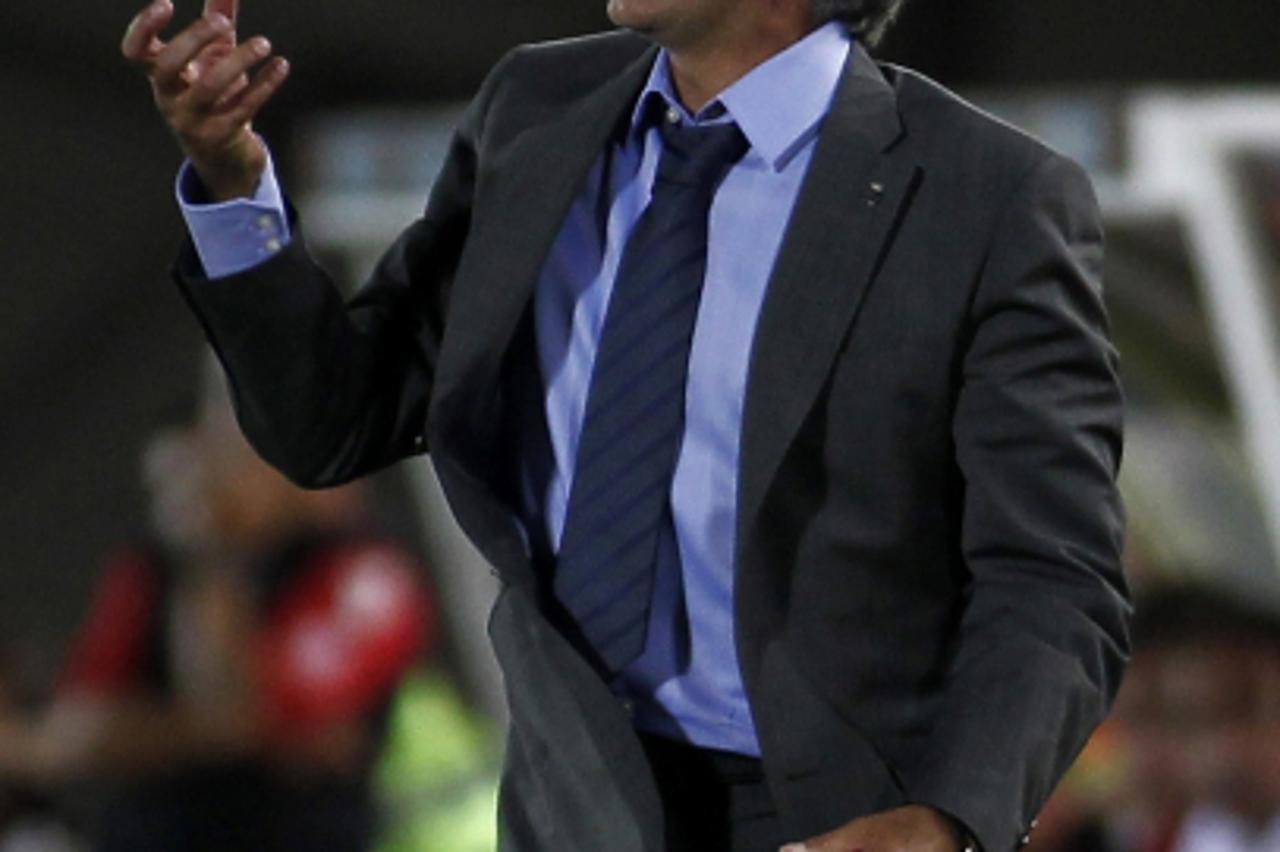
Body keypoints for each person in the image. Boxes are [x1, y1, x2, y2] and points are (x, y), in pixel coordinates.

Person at [119, 0, 1132, 848]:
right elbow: (335, 419)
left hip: (837, 822)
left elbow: (1052, 577)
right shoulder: (535, 108)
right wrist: (231, 182)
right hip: (573, 803)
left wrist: (946, 817)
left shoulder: (986, 195)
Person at [0, 365, 432, 851]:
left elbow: (242, 713)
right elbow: (81, 727)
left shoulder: (364, 572)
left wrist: (216, 558)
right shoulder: (152, 566)